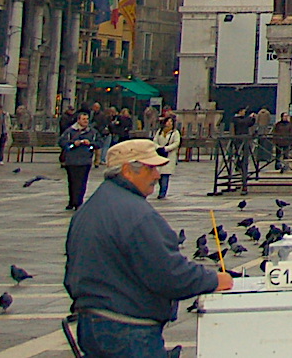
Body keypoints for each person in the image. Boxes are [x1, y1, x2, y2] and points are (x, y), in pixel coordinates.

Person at [65, 139, 233, 358]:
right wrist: (213, 280)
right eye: (150, 168)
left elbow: (72, 274)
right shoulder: (137, 214)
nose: (156, 175)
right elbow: (170, 274)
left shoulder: (89, 209)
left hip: (91, 324)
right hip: (129, 330)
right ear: (127, 170)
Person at [60, 109, 99, 211]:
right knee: (72, 181)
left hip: (85, 160)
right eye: (83, 119)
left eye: (87, 119)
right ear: (78, 120)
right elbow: (62, 142)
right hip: (72, 160)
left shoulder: (92, 132)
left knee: (82, 182)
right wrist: (74, 143)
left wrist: (90, 144)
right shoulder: (70, 131)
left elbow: (99, 143)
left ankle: (78, 201)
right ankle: (72, 201)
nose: (86, 121)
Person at [152, 113, 182, 199]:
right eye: (168, 121)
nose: (169, 123)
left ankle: (162, 193)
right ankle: (161, 189)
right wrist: (158, 147)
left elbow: (176, 143)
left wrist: (166, 149)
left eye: (171, 122)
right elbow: (155, 140)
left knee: (165, 175)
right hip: (160, 154)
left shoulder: (175, 133)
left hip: (169, 155)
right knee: (159, 175)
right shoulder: (160, 131)